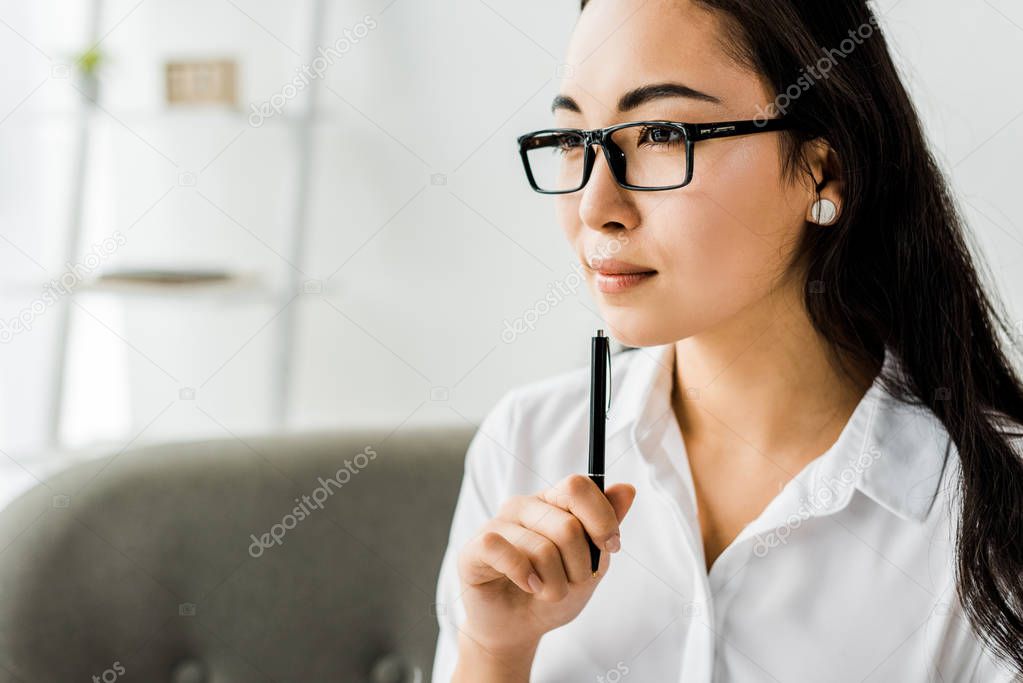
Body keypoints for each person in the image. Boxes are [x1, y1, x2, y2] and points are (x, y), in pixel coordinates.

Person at [432, 0, 1023, 680]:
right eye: (572, 139)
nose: (595, 208)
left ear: (821, 172)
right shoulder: (528, 439)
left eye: (659, 133)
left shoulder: (987, 504)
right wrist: (495, 649)